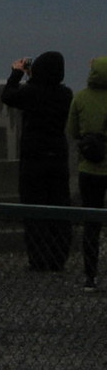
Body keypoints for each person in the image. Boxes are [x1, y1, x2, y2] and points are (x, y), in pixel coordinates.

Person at [1, 51, 73, 271]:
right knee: (60, 209)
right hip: (58, 157)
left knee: (34, 210)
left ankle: (38, 258)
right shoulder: (66, 94)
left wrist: (17, 73)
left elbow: (8, 95)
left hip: (33, 159)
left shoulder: (31, 92)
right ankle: (58, 258)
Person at [67, 55, 107, 290]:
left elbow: (72, 130)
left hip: (89, 169)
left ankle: (90, 277)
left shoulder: (80, 97)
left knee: (91, 224)